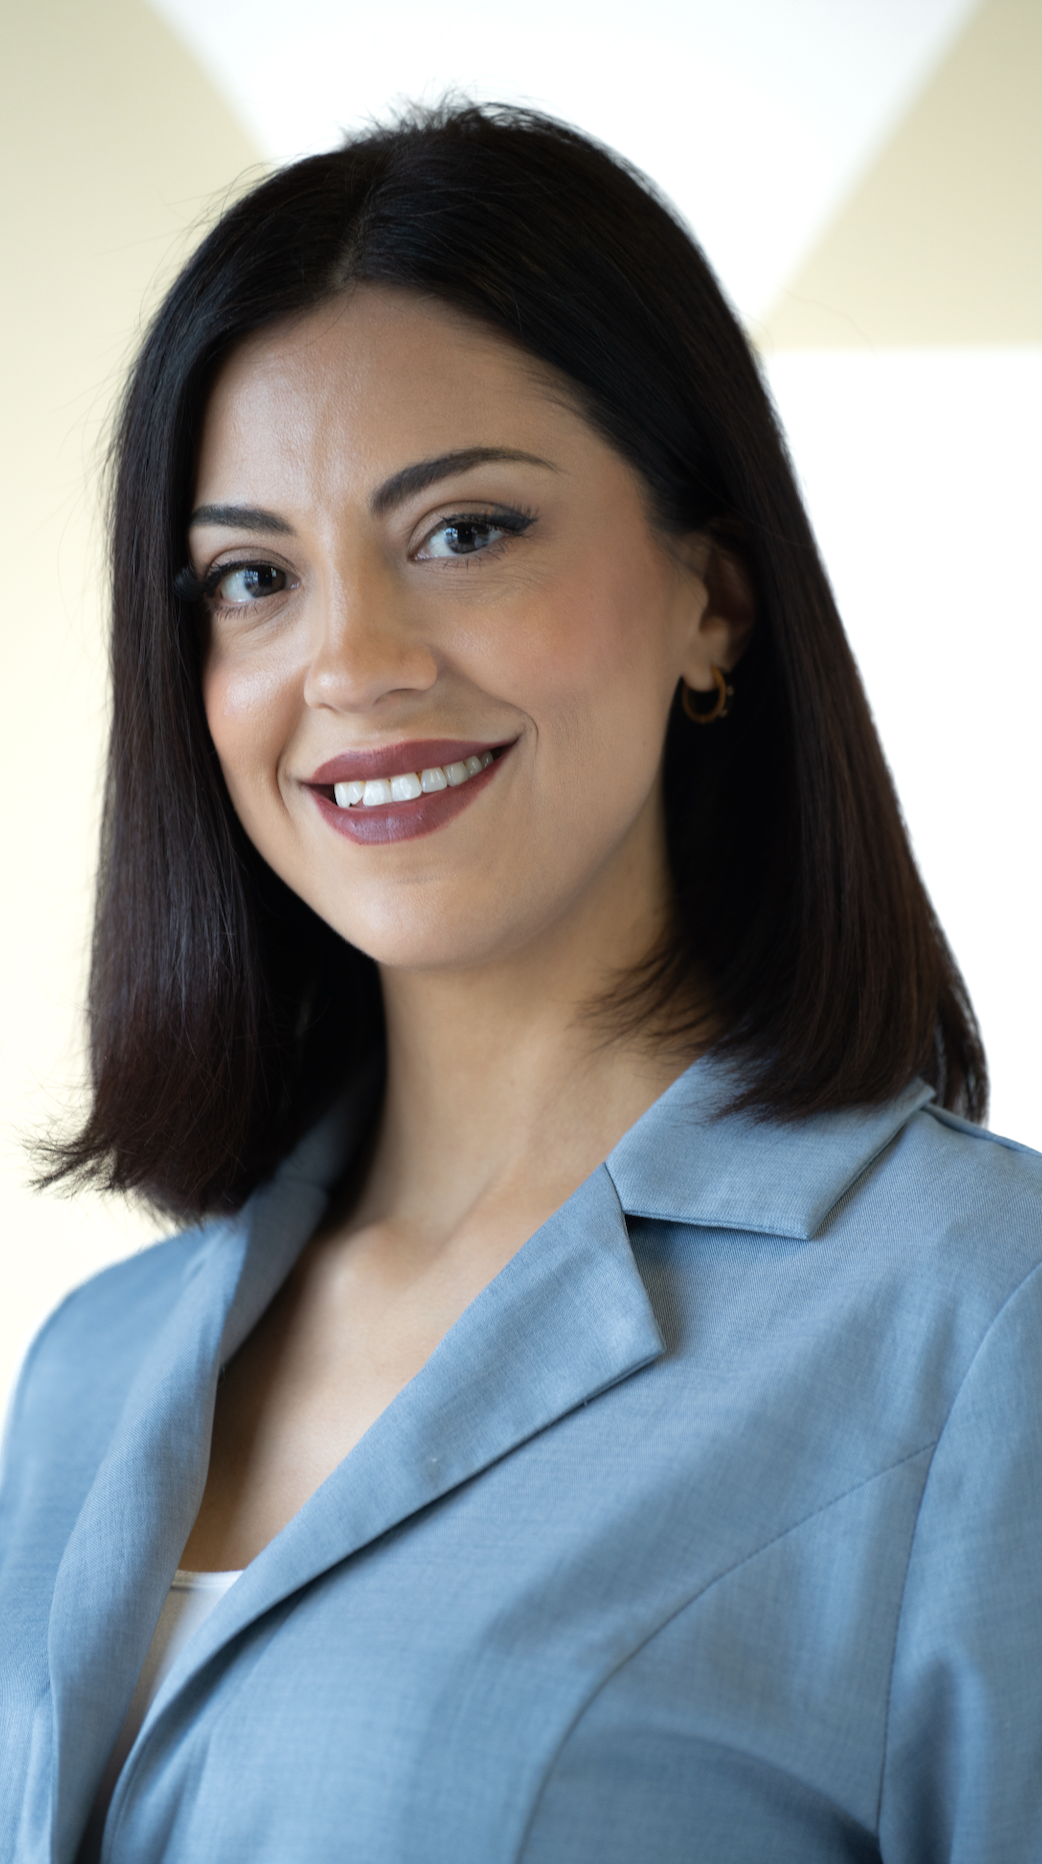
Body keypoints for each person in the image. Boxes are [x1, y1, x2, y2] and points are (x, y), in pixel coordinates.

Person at [2, 101, 1040, 1864]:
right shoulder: (94, 1372)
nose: (353, 666)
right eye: (251, 579)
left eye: (465, 533)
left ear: (712, 597)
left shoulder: (978, 1325)